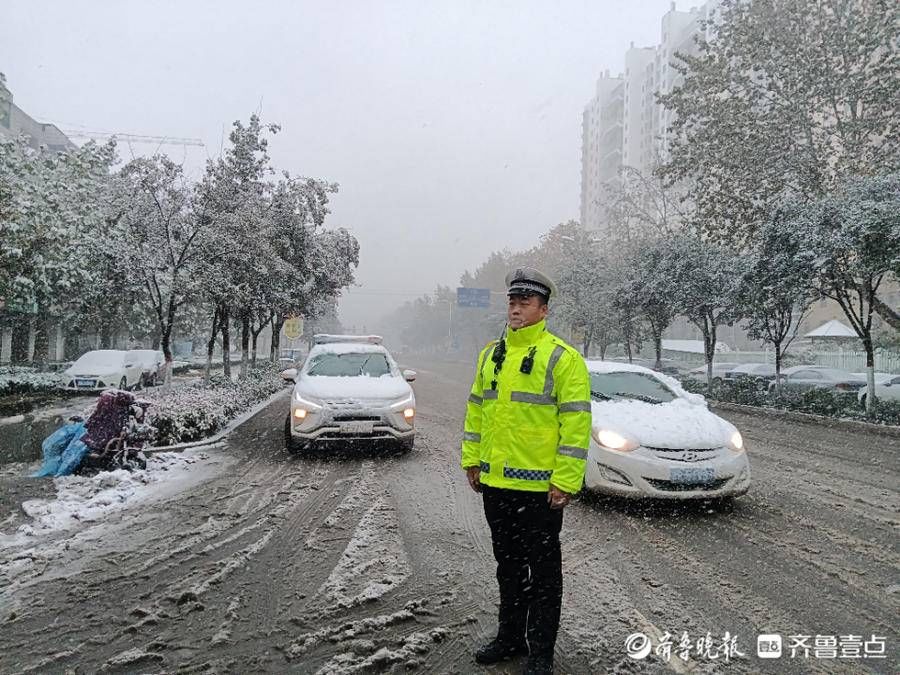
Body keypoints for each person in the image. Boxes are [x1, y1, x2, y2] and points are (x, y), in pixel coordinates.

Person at [461, 267, 592, 675]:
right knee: (509, 567)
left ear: (543, 309)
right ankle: (509, 637)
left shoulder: (563, 359)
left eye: (525, 302)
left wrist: (565, 481)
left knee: (545, 573)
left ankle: (540, 652)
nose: (516, 308)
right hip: (496, 485)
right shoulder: (491, 354)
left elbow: (576, 424)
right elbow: (476, 412)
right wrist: (471, 459)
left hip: (539, 492)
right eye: (512, 302)